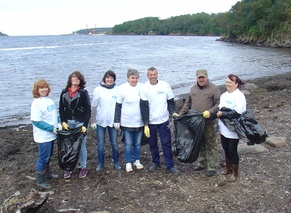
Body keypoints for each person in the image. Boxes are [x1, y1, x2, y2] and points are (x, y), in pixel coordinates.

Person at [178, 69, 221, 177]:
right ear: (196, 78)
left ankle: (212, 166)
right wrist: (179, 115)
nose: (201, 79)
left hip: (208, 121)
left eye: (203, 77)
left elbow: (218, 103)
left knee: (210, 143)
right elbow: (188, 103)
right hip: (196, 122)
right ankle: (202, 163)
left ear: (207, 77)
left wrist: (210, 112)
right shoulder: (193, 89)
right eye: (199, 77)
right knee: (200, 143)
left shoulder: (214, 88)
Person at [140, 67, 179, 174]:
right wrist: (146, 124)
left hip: (163, 120)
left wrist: (172, 112)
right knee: (152, 144)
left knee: (166, 143)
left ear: (157, 74)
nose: (153, 76)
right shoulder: (144, 88)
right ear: (147, 76)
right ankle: (156, 162)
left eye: (154, 74)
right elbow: (143, 107)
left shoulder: (165, 85)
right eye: (150, 75)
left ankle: (170, 165)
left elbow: (170, 101)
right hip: (151, 122)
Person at [59, 71, 91, 179]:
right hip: (68, 122)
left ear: (80, 81)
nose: (75, 80)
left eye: (78, 78)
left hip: (80, 122)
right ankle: (68, 168)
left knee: (81, 146)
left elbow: (88, 110)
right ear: (70, 79)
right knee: (68, 147)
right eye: (73, 78)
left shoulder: (83, 93)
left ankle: (83, 167)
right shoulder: (64, 92)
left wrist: (85, 125)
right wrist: (63, 121)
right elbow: (61, 108)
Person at [216, 74, 246, 182]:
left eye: (230, 82)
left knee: (232, 150)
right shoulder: (224, 95)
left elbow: (238, 112)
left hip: (234, 129)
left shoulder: (239, 96)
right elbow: (220, 108)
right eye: (227, 82)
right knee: (225, 148)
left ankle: (235, 172)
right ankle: (227, 168)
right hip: (223, 128)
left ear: (236, 84)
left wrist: (222, 114)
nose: (228, 84)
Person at [31, 79, 60, 189]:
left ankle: (48, 173)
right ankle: (40, 180)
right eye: (41, 88)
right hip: (43, 136)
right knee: (43, 157)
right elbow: (36, 121)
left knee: (49, 156)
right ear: (37, 90)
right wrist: (51, 128)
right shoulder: (36, 103)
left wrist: (59, 123)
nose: (44, 89)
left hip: (52, 134)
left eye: (45, 87)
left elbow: (54, 115)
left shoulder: (49, 101)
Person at [114, 69, 144, 172]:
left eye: (136, 78)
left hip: (139, 121)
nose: (134, 80)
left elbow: (145, 104)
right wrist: (116, 120)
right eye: (132, 78)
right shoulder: (122, 88)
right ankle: (128, 162)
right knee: (128, 143)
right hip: (126, 121)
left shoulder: (142, 87)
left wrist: (146, 120)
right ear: (128, 78)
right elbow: (118, 106)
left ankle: (137, 160)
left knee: (138, 143)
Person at [91, 70, 121, 171]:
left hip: (113, 122)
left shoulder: (117, 90)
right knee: (100, 143)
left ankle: (116, 162)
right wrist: (93, 121)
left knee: (114, 143)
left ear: (114, 79)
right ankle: (100, 163)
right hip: (100, 121)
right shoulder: (98, 90)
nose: (110, 80)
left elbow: (119, 106)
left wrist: (118, 120)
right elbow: (94, 106)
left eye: (112, 78)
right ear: (104, 78)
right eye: (108, 78)